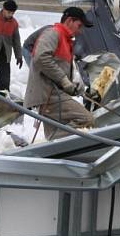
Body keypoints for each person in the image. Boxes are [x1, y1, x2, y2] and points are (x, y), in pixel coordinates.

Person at [24, 7, 96, 140]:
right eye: (79, 26)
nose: (80, 31)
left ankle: (52, 148)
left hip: (52, 94)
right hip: (48, 95)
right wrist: (63, 80)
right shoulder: (53, 33)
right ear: (69, 21)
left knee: (55, 136)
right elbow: (41, 57)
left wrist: (72, 86)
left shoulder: (65, 40)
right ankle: (54, 141)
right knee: (86, 119)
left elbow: (56, 69)